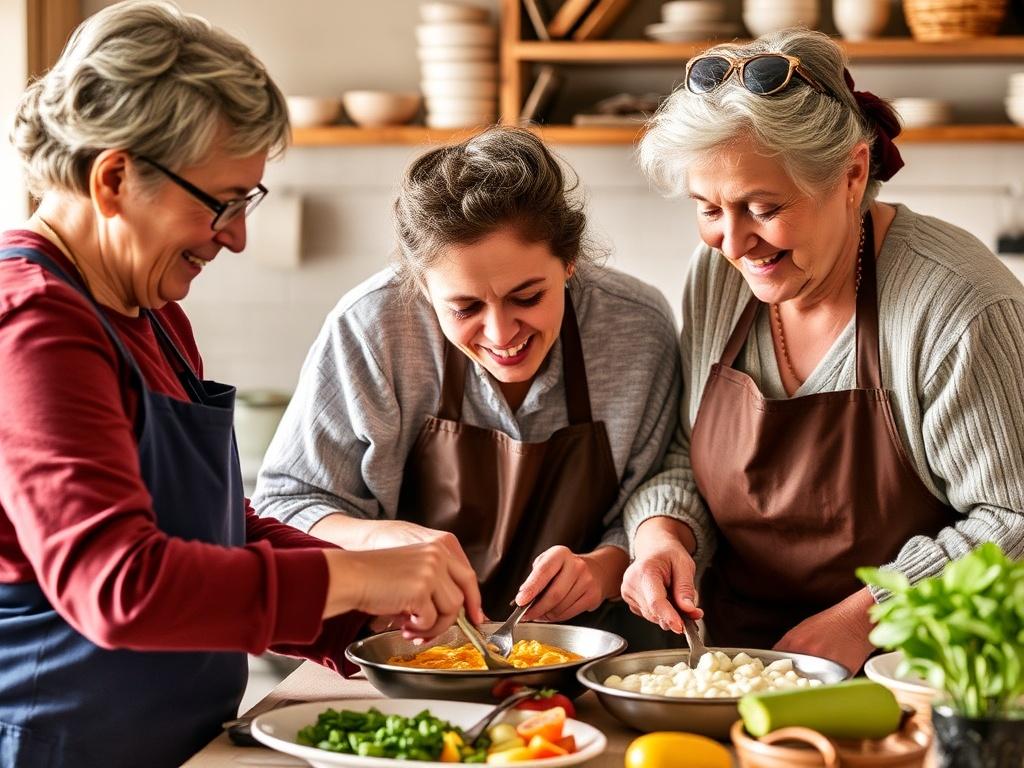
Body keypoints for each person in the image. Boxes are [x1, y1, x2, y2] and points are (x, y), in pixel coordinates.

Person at [0, 3, 481, 766]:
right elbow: (122, 586)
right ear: (114, 178)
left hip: (180, 747)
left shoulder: (151, 312)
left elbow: (213, 532)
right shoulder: (32, 325)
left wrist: (368, 621)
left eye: (246, 201)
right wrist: (358, 575)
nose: (236, 235)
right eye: (221, 202)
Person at [620, 28, 1024, 675]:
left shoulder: (956, 304)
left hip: (913, 675)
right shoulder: (720, 277)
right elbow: (682, 455)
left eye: (762, 207)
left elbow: (1013, 519)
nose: (733, 244)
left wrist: (866, 618)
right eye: (709, 209)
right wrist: (664, 536)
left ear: (853, 173)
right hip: (733, 666)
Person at [255, 127, 681, 640]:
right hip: (410, 651)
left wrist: (602, 569)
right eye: (465, 308)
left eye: (528, 297)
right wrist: (381, 541)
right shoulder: (373, 328)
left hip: (590, 650)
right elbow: (286, 503)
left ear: (569, 262)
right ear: (422, 286)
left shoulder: (637, 327)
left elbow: (656, 492)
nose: (501, 334)